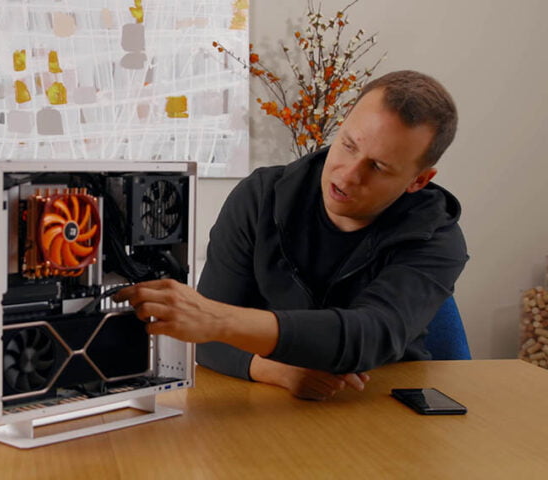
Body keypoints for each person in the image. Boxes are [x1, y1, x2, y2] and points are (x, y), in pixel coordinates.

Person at [115, 70, 467, 400]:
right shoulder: (259, 198)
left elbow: (372, 334)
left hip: (379, 400)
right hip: (270, 404)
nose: (347, 176)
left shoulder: (437, 236)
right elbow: (204, 340)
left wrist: (218, 319)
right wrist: (275, 370)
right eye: (348, 145)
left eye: (377, 166)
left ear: (419, 180)